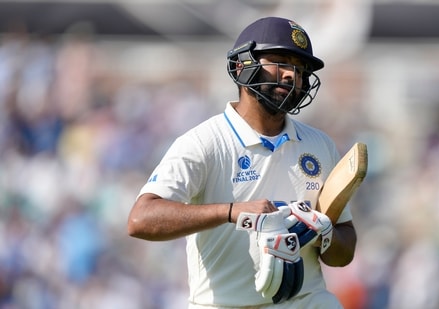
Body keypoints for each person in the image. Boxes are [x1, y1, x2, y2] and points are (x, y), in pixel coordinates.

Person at [127, 16, 357, 308]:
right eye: (279, 61)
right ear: (242, 65)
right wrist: (233, 212)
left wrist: (325, 233)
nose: (291, 75)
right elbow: (140, 219)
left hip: (305, 300)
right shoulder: (205, 141)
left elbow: (343, 252)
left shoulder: (319, 145)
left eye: (300, 69)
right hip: (224, 303)